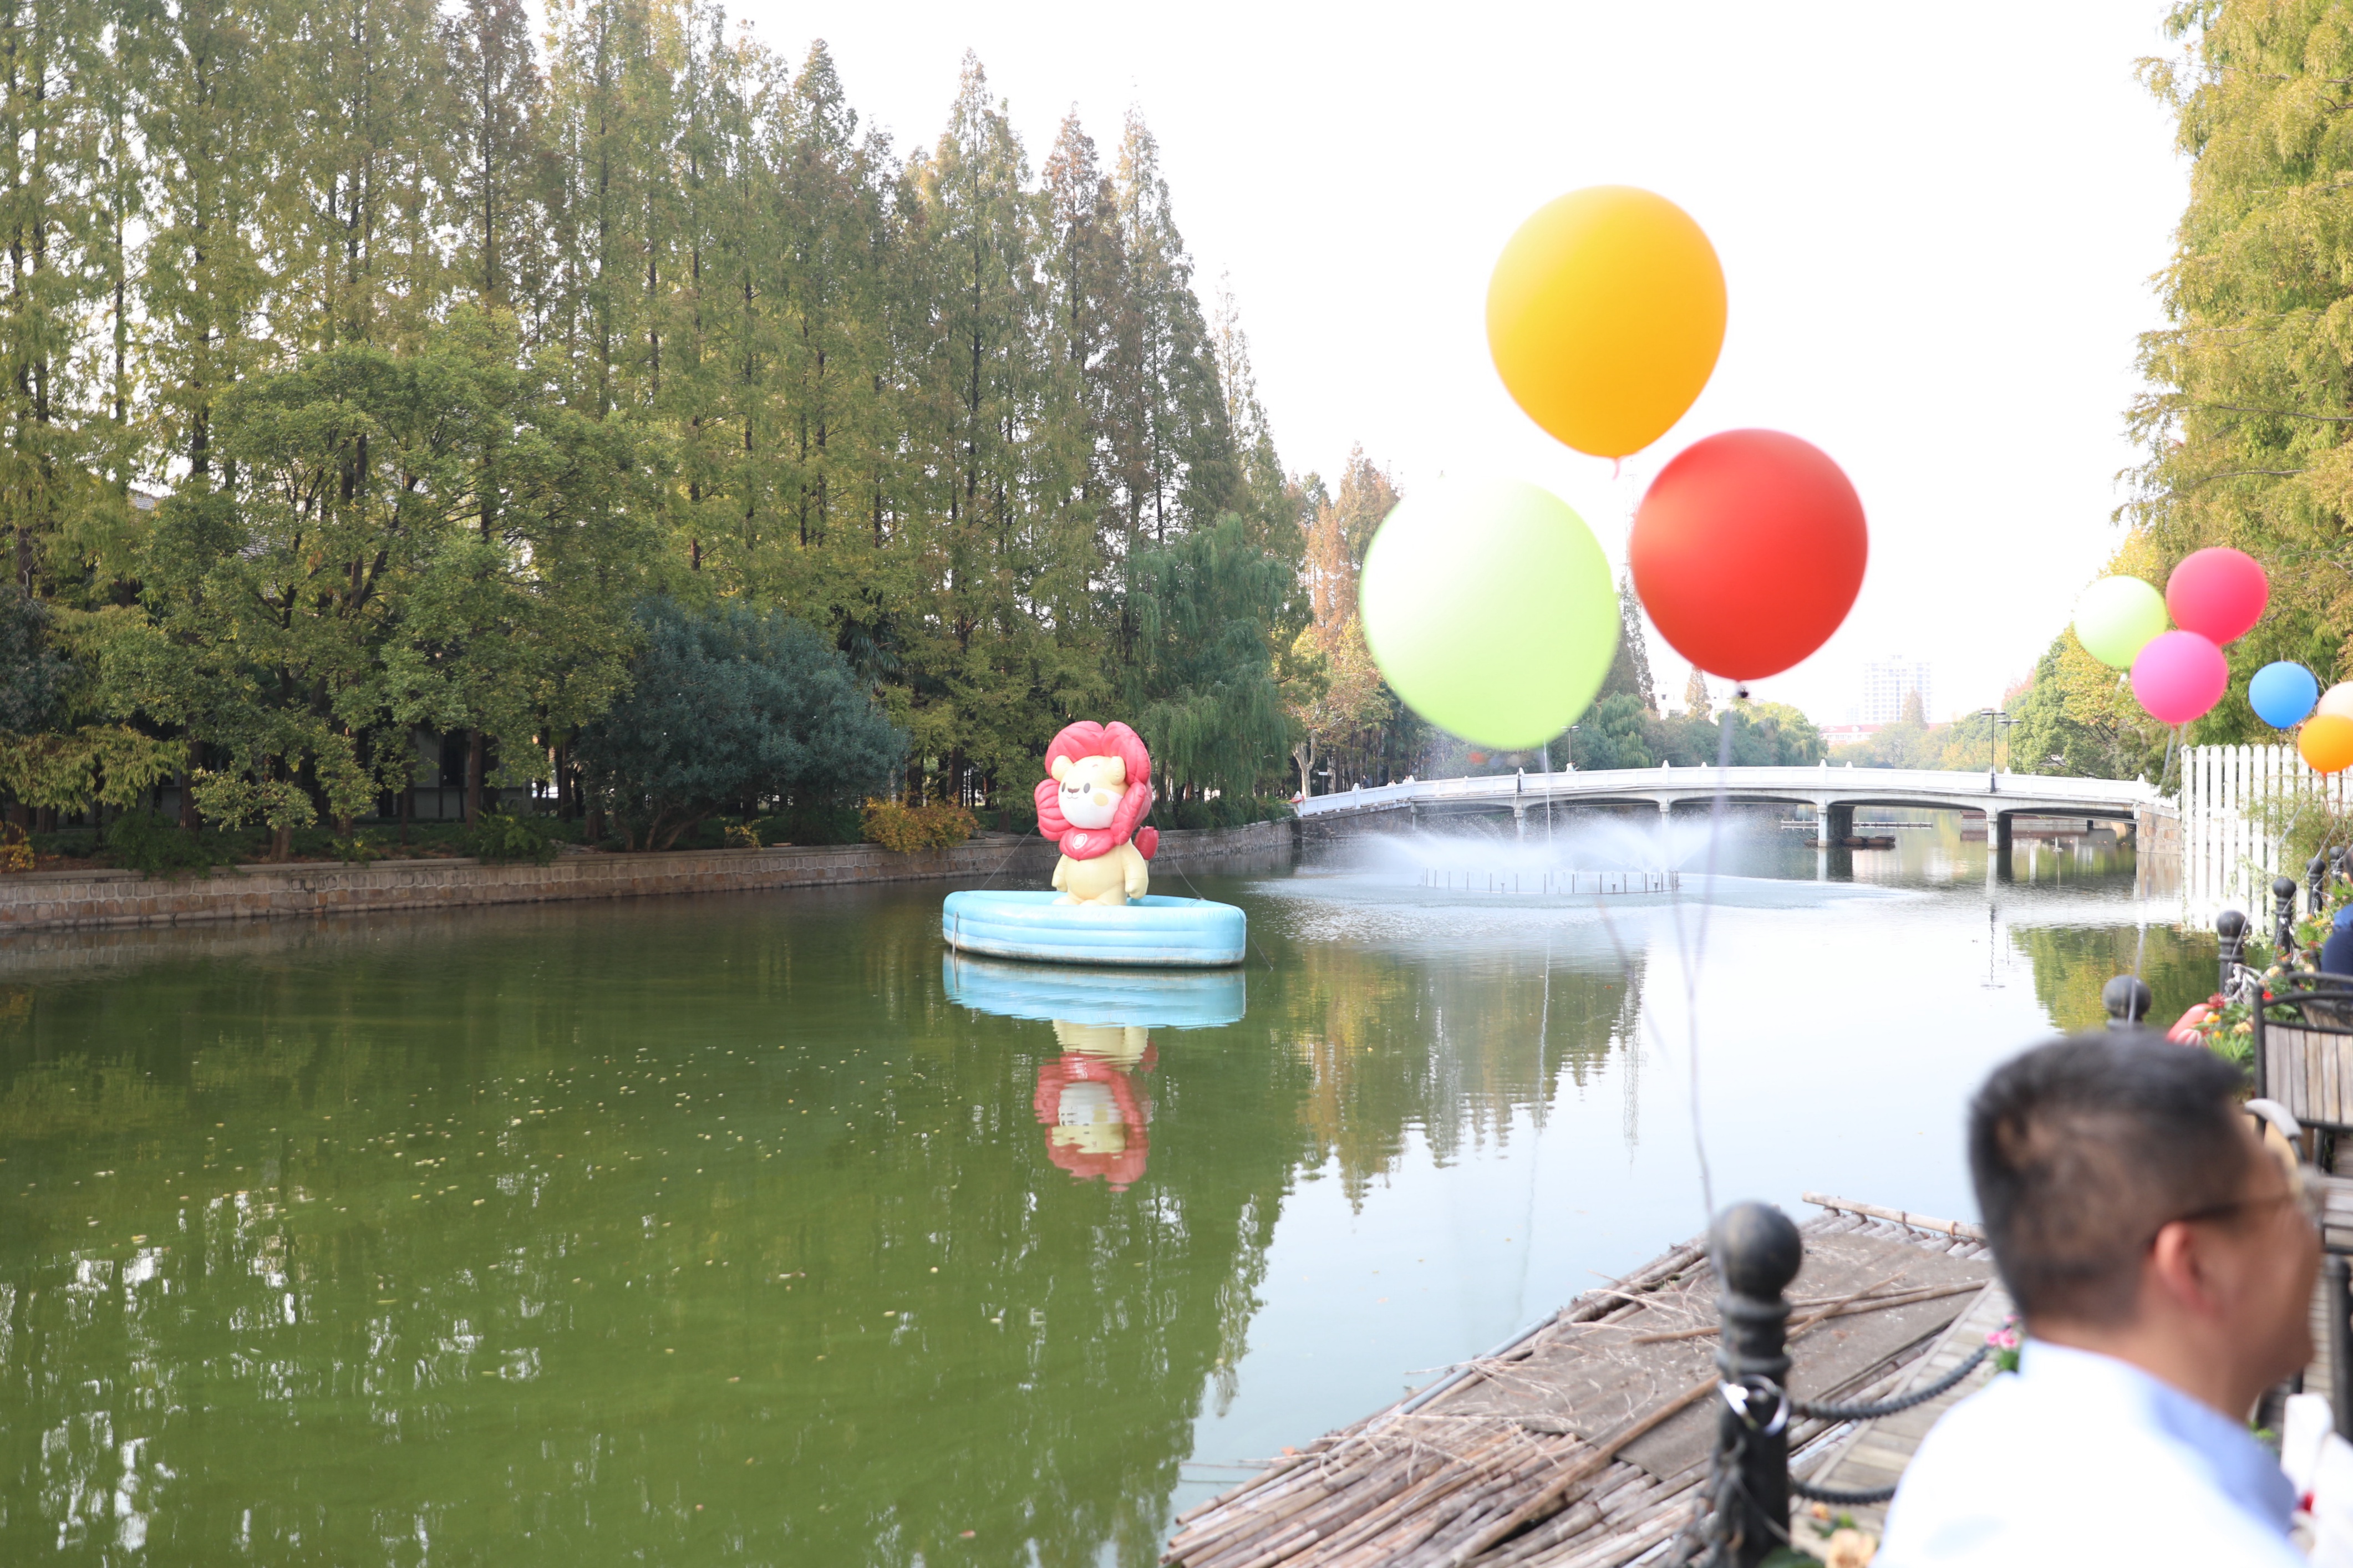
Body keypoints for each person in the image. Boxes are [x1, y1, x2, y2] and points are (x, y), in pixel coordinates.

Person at [1877, 1035, 2319, 1566]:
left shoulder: (1960, 1454)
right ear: (2194, 1265)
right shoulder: (2223, 1550)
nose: (2309, 1234)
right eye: (2290, 1200)